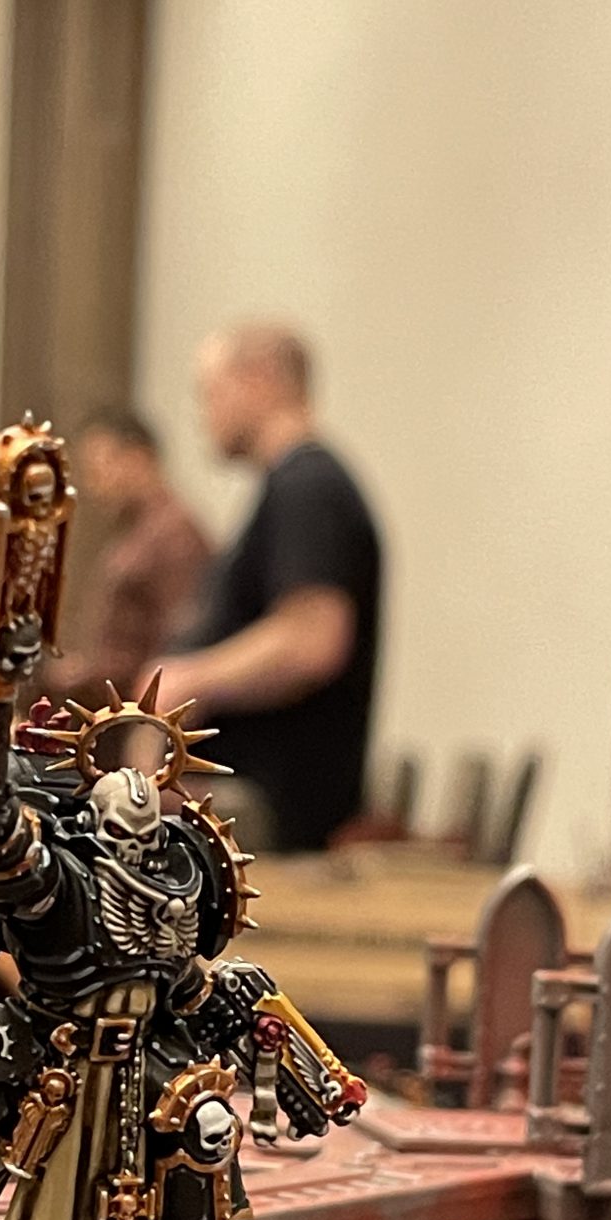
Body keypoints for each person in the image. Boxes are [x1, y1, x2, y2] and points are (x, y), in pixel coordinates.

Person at [151, 325, 382, 852]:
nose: (203, 414)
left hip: (271, 819)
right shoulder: (294, 486)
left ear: (258, 380)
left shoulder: (309, 487)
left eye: (210, 392)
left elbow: (312, 640)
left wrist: (189, 680)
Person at [48, 410, 209, 701]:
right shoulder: (137, 532)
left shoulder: (174, 536)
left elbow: (182, 642)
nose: (93, 485)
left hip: (143, 709)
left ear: (138, 457)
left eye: (101, 468)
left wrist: (94, 673)